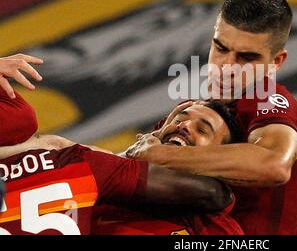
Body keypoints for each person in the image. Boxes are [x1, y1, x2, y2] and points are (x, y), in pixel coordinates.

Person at [128, 0, 297, 235]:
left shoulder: (269, 98)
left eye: (246, 58)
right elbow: (123, 167)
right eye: (221, 48)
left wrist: (161, 155)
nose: (227, 66)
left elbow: (274, 164)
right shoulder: (191, 115)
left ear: (275, 62)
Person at [0, 56, 243, 235]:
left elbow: (215, 194)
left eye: (202, 130)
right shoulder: (91, 175)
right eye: (180, 119)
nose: (184, 126)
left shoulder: (213, 226)